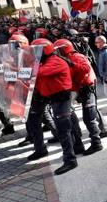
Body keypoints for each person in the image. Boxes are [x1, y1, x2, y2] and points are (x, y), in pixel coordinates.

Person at [30, 39, 78, 175]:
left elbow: (39, 73)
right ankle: (76, 146)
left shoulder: (55, 61)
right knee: (67, 125)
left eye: (36, 50)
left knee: (64, 129)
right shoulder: (45, 61)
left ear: (44, 50)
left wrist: (22, 67)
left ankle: (70, 160)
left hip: (61, 98)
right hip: (51, 97)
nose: (34, 53)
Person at [54, 39, 103, 156]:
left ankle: (96, 143)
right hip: (82, 90)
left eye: (58, 51)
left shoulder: (76, 57)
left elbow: (85, 69)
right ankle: (92, 141)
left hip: (87, 89)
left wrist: (71, 64)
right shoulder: (69, 58)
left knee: (89, 118)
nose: (56, 54)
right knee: (89, 117)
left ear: (63, 49)